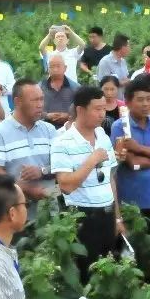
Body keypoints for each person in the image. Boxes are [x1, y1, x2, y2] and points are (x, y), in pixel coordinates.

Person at [51, 87, 120, 281]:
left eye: (104, 109)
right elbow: (65, 185)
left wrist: (117, 217)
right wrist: (91, 161)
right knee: (87, 274)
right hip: (83, 218)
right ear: (80, 110)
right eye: (96, 109)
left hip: (106, 215)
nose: (102, 114)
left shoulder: (103, 136)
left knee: (108, 273)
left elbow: (110, 179)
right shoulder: (62, 142)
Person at [0, 79, 59, 223]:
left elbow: (63, 165)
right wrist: (24, 188)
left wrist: (42, 170)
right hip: (15, 214)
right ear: (18, 102)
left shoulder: (49, 130)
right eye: (35, 100)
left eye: (42, 99)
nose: (40, 105)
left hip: (50, 213)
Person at [111, 74, 150, 233]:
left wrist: (138, 148)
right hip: (132, 201)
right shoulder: (120, 127)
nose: (146, 104)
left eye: (149, 99)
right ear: (127, 101)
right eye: (140, 100)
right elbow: (133, 164)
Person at [39, 54, 78, 128]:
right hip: (44, 129)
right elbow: (32, 110)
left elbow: (82, 110)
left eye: (58, 66)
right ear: (48, 68)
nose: (55, 69)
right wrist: (47, 115)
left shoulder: (75, 88)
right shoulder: (39, 88)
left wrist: (68, 116)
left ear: (65, 68)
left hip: (69, 129)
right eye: (52, 66)